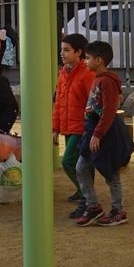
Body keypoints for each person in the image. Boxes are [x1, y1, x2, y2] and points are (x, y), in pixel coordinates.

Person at [73, 40, 130, 227]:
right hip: (94, 131)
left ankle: (118, 210)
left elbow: (109, 110)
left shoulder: (106, 81)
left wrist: (97, 134)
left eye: (88, 58)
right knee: (82, 167)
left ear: (98, 60)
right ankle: (93, 206)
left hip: (104, 132)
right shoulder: (98, 79)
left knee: (110, 171)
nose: (85, 61)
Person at [53, 32, 95, 204]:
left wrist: (91, 126)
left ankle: (86, 193)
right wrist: (55, 128)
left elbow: (93, 102)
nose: (62, 53)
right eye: (62, 50)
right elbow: (58, 103)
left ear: (79, 52)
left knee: (69, 161)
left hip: (81, 126)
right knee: (80, 161)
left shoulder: (87, 74)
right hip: (68, 125)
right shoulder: (63, 73)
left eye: (66, 50)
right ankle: (84, 191)